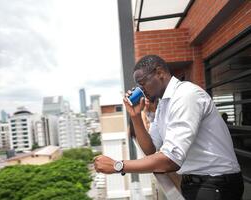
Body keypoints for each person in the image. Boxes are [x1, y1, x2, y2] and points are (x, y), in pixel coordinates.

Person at [93, 55, 244, 200]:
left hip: (216, 183)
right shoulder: (163, 106)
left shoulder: (185, 95)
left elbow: (170, 161)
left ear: (159, 72)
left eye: (142, 82)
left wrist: (118, 166)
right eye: (138, 85)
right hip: (198, 183)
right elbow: (150, 150)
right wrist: (135, 117)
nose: (140, 89)